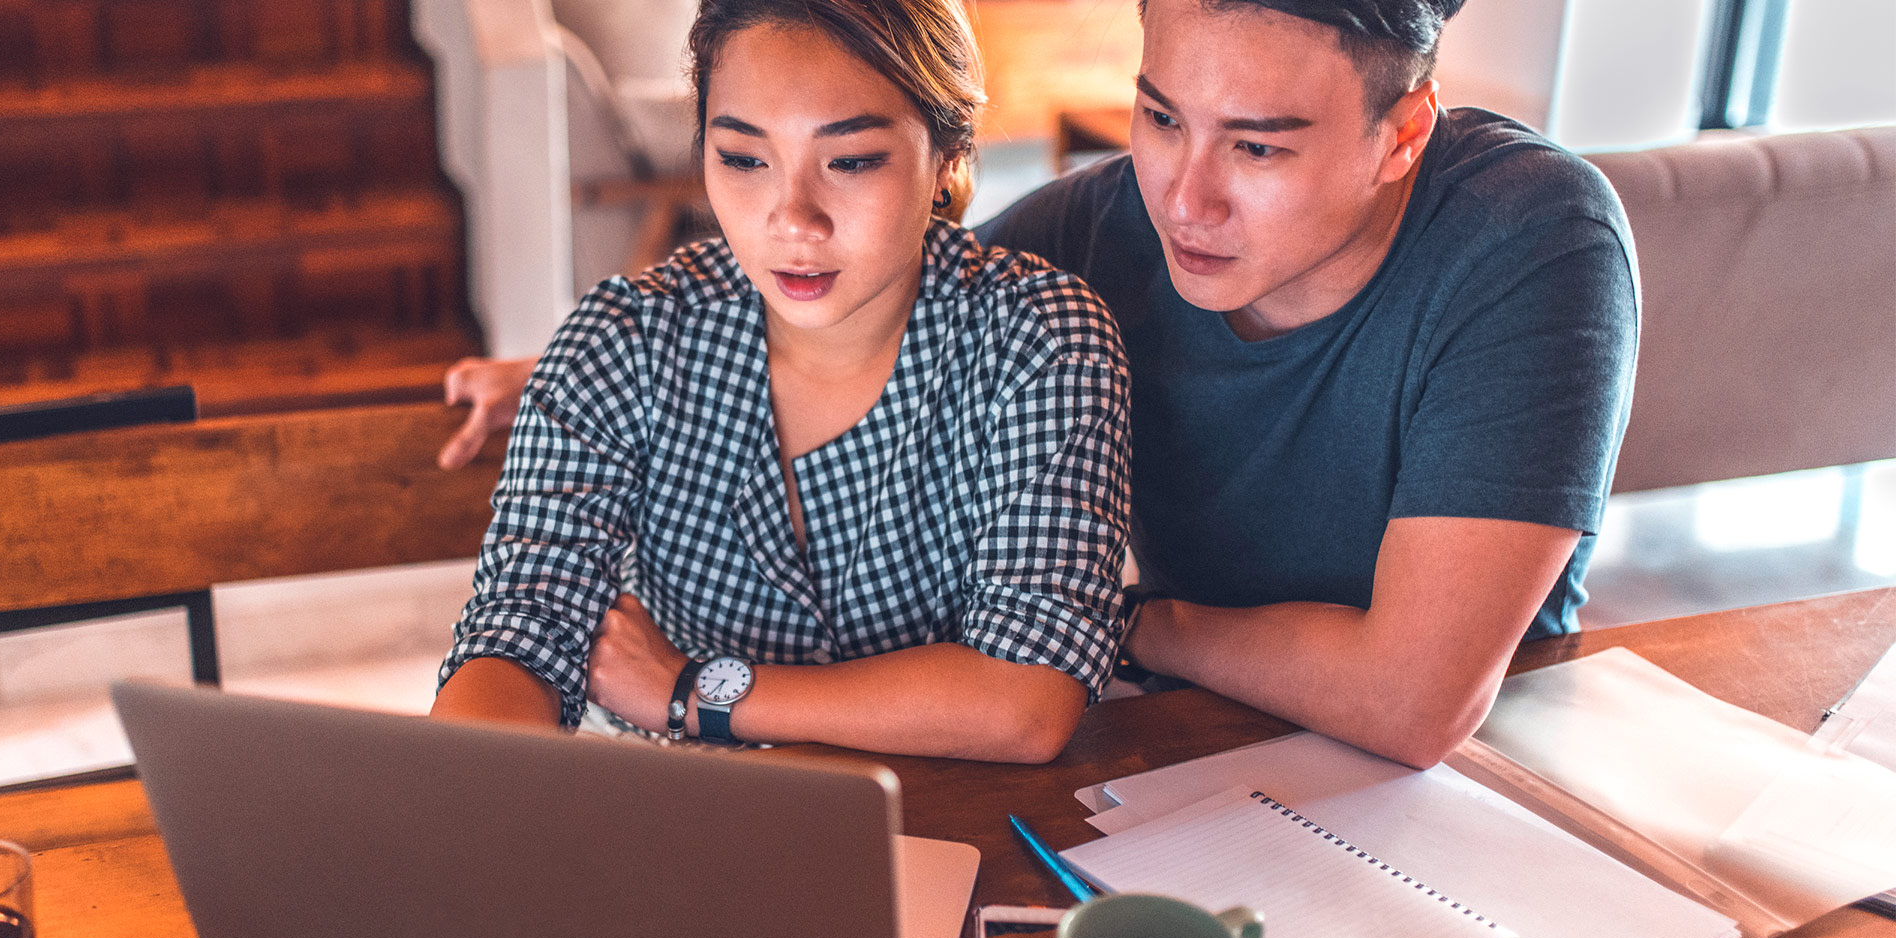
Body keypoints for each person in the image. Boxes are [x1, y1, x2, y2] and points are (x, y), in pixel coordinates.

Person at [443, 0, 1636, 771]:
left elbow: (1414, 702)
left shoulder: (1528, 236)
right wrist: (576, 369)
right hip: (1177, 751)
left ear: (1401, 133)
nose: (1184, 197)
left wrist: (1112, 628)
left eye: (1258, 146)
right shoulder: (1098, 231)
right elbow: (868, 280)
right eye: (1161, 118)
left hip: (1474, 784)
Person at [429, 0, 1131, 763]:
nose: (792, 220)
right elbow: (520, 632)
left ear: (949, 156)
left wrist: (696, 692)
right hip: (671, 805)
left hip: (942, 811)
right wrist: (464, 798)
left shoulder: (1040, 341)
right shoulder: (622, 343)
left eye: (851, 160)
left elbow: (1027, 699)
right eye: (743, 159)